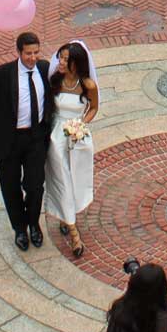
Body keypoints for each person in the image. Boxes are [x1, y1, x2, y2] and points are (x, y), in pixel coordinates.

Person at [0, 32, 53, 252]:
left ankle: (33, 223)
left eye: (35, 52)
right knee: (11, 186)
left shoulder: (44, 69)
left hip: (35, 138)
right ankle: (20, 228)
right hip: (8, 140)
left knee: (35, 185)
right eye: (28, 53)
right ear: (19, 52)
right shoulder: (3, 74)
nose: (32, 58)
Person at [43, 41, 99, 258]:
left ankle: (67, 217)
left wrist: (81, 124)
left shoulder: (88, 85)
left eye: (66, 59)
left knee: (75, 179)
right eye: (60, 57)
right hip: (56, 138)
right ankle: (75, 236)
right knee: (61, 179)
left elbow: (93, 107)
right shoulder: (54, 81)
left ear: (77, 62)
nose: (61, 62)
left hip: (77, 138)